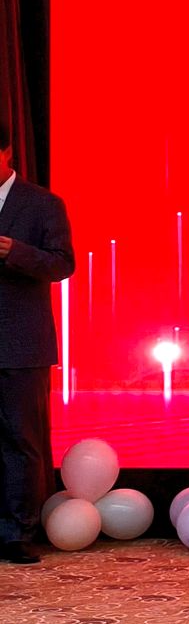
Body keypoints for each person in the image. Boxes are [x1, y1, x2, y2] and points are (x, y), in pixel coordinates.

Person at [0, 122, 73, 566]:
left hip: (21, 344)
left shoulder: (43, 203)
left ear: (7, 151)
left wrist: (15, 251)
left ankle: (17, 533)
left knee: (20, 440)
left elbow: (63, 265)